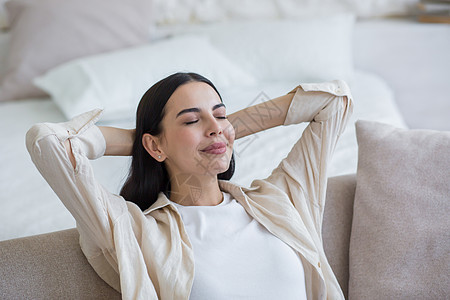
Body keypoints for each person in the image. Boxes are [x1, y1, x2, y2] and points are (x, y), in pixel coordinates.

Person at [26, 72, 353, 300]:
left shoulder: (281, 199)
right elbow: (48, 142)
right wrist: (144, 142)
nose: (214, 126)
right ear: (154, 147)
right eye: (191, 119)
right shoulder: (134, 230)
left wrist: (220, 131)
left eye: (220, 114)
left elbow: (333, 103)